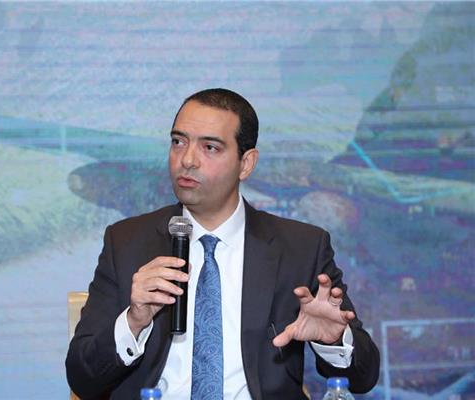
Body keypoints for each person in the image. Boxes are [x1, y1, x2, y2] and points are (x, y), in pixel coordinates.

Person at [66, 88, 380, 399]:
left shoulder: (301, 247)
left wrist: (334, 339)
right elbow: (83, 380)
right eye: (178, 142)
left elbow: (363, 378)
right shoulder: (127, 242)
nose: (187, 160)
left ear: (246, 163)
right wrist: (134, 322)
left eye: (210, 148)